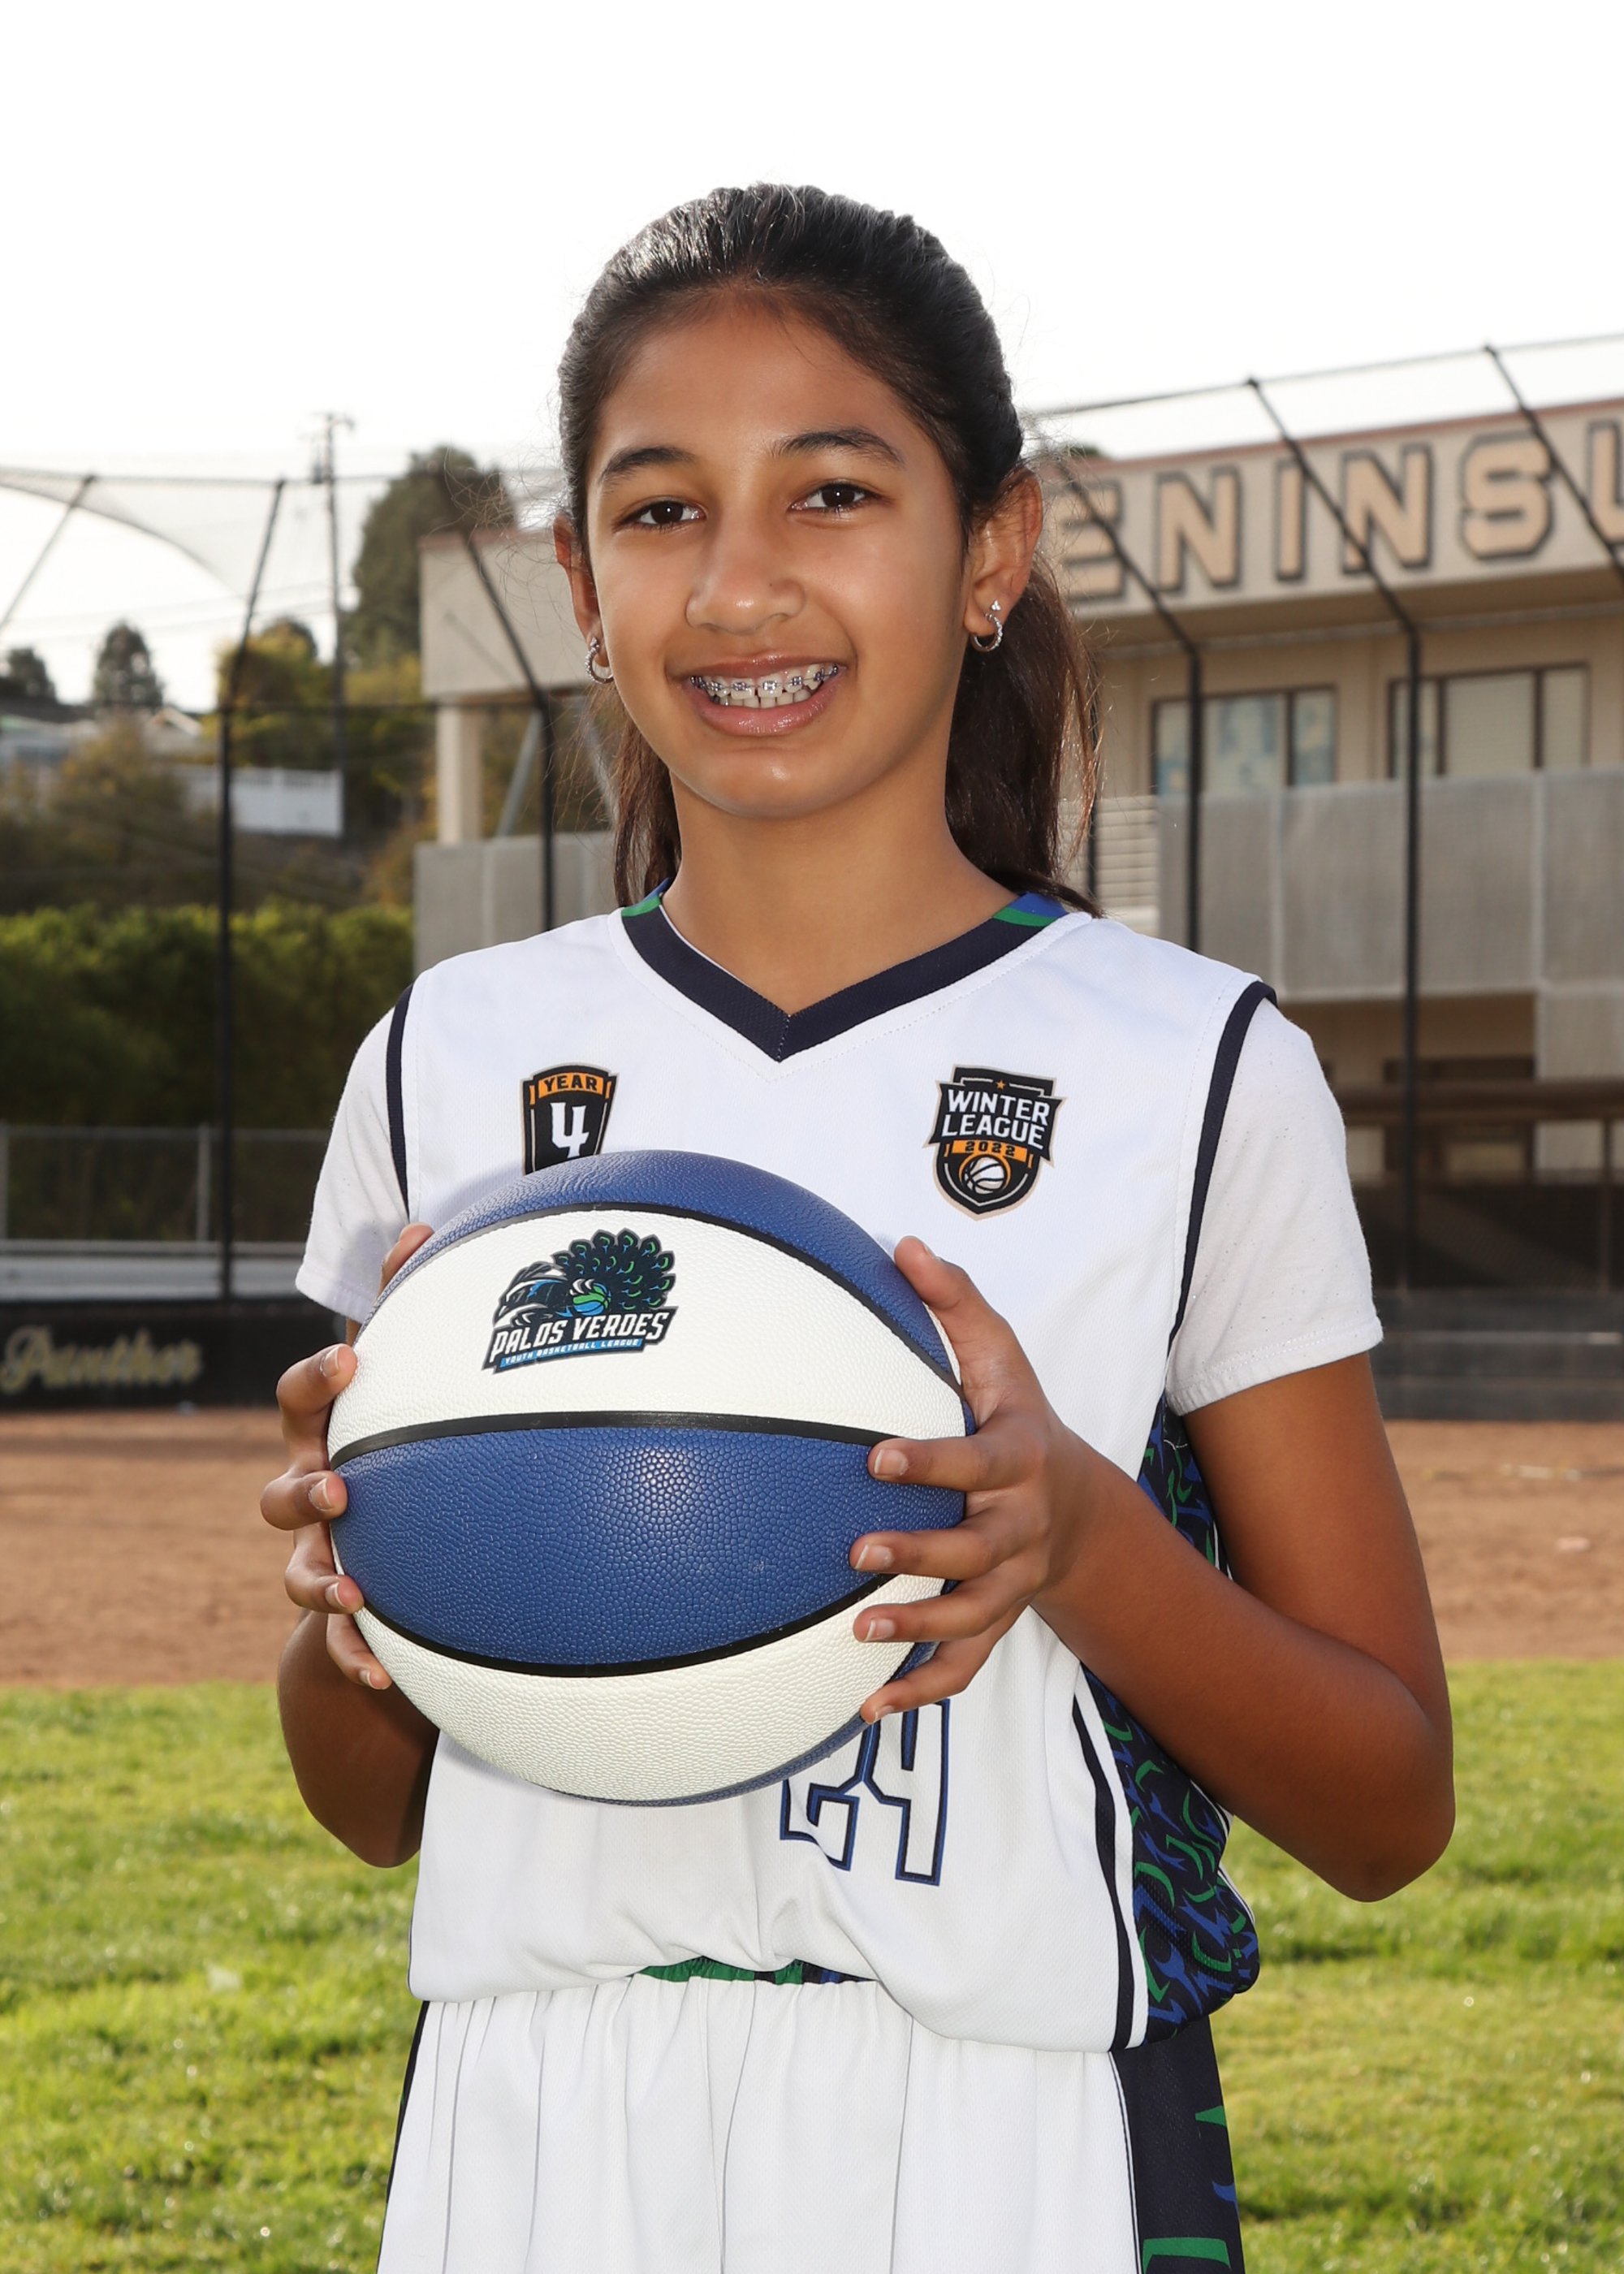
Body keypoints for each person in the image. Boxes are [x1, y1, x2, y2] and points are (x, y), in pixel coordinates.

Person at [263, 184, 1453, 2274]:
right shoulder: (449, 1056)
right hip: (532, 2118)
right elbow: (370, 1802)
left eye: (832, 491)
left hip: (1009, 2129)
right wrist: (366, 1593)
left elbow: (1385, 1801)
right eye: (660, 510)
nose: (739, 584)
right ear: (579, 581)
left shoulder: (1193, 1065)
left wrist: (1078, 1538)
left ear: (991, 548)